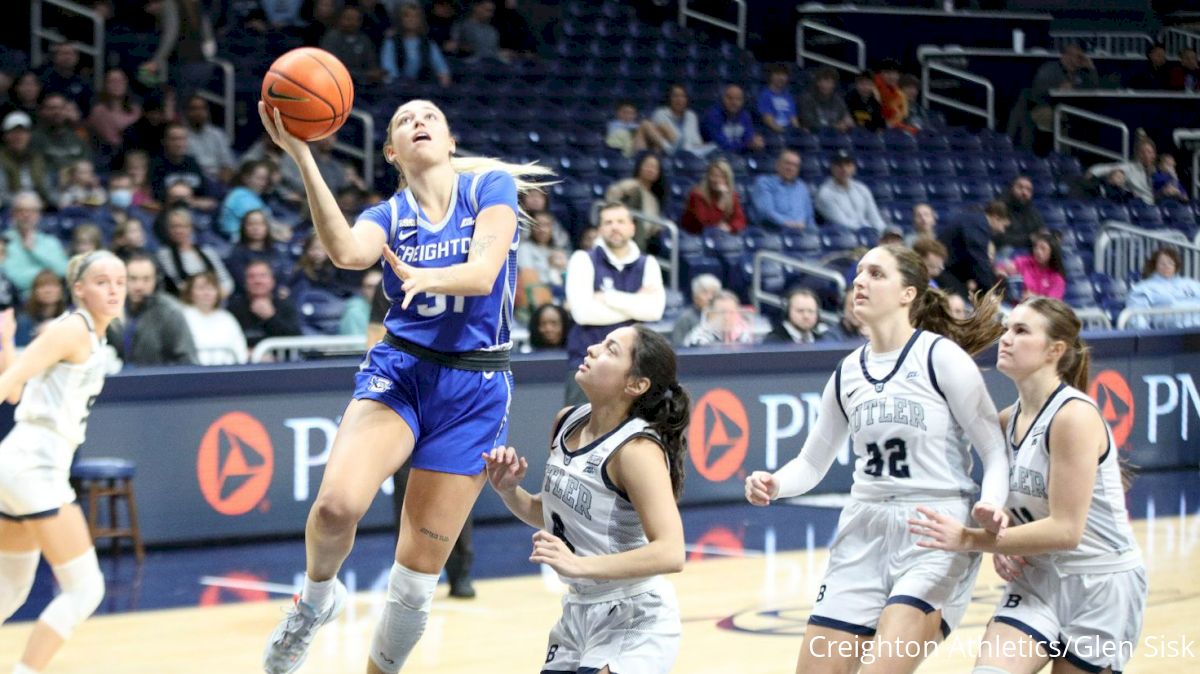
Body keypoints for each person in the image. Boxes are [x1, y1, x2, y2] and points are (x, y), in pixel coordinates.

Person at [257, 96, 554, 674]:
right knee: (336, 508)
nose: (419, 122)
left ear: (449, 142)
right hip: (402, 371)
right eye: (404, 120)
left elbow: (483, 274)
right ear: (392, 151)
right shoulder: (387, 215)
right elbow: (346, 252)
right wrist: (302, 155)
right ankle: (315, 601)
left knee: (415, 582)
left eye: (431, 117)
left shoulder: (488, 187)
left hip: (474, 386)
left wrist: (429, 275)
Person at [745, 244, 1010, 674]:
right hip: (862, 527)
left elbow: (994, 450)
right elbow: (812, 463)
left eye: (875, 273)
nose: (859, 282)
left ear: (908, 293)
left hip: (932, 527)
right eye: (857, 274)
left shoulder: (941, 358)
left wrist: (992, 505)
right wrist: (776, 483)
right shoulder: (847, 371)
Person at [910, 297, 1145, 674]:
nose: (1006, 338)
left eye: (1020, 331)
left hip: (1100, 583)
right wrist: (1007, 534)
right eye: (1006, 329)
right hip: (1038, 578)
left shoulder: (1074, 417)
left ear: (1055, 350)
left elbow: (1067, 530)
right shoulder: (1006, 421)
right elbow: (1015, 506)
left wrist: (972, 539)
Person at [483, 325, 688, 674]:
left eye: (610, 350)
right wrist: (508, 490)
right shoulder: (567, 420)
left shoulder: (636, 450)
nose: (592, 349)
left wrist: (579, 565)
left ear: (636, 384)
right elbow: (549, 514)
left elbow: (671, 552)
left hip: (635, 613)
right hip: (579, 610)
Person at [0, 251, 126, 674]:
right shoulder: (73, 328)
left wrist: (4, 344)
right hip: (34, 464)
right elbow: (7, 385)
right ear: (79, 289)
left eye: (120, 282)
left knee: (11, 586)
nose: (113, 290)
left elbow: (18, 388)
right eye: (102, 281)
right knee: (86, 589)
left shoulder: (94, 336)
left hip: (19, 464)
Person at [565, 202, 665, 406]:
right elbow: (583, 313)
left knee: (634, 432)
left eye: (621, 221)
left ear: (632, 227)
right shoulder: (582, 259)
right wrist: (636, 304)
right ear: (600, 229)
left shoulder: (648, 263)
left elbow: (654, 311)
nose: (615, 227)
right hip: (587, 364)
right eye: (608, 222)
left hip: (634, 367)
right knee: (580, 432)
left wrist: (607, 297)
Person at [109, 251, 198, 366]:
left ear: (156, 281)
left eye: (146, 279)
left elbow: (187, 361)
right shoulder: (109, 309)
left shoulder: (170, 311)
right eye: (133, 279)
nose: (139, 286)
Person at [155, 206, 235, 297]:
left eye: (183, 226)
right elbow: (178, 283)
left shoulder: (207, 252)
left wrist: (216, 295)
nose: (179, 231)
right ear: (168, 230)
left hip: (215, 299)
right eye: (174, 227)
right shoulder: (164, 254)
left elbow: (226, 280)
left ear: (190, 228)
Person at [939, 200, 1011, 299]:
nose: (1002, 231)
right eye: (1004, 226)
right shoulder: (978, 225)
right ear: (996, 218)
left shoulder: (974, 220)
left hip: (950, 270)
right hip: (945, 271)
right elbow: (979, 260)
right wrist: (990, 292)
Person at [228, 259, 302, 349]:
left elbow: (296, 338)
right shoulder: (234, 308)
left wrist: (271, 318)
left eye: (263, 276)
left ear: (272, 281)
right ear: (245, 283)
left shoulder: (285, 306)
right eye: (251, 277)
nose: (257, 281)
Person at [180, 271, 249, 365]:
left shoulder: (227, 318)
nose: (206, 293)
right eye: (201, 288)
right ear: (190, 292)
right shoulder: (181, 316)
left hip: (226, 373)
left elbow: (240, 350)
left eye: (211, 288)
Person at [380, 1, 453, 88]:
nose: (411, 19)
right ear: (401, 19)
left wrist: (444, 79)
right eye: (407, 16)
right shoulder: (391, 42)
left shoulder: (428, 43)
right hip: (398, 89)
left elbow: (442, 69)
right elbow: (389, 71)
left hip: (423, 88)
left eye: (415, 16)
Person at [1126, 246, 1200, 329]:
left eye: (1170, 263)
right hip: (1172, 334)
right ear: (1155, 265)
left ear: (1176, 265)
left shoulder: (1191, 283)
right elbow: (1137, 315)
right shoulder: (1143, 288)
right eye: (1162, 263)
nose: (1167, 266)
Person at [815, 151, 887, 232]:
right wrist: (869, 230)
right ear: (832, 168)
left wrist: (884, 233)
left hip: (869, 233)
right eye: (839, 165)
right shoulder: (825, 194)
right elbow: (843, 223)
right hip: (845, 238)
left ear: (853, 168)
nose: (844, 169)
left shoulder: (862, 188)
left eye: (848, 165)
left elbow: (875, 218)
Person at [750, 149, 814, 230]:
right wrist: (787, 223)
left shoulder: (802, 187)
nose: (791, 168)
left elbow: (809, 218)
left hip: (802, 235)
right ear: (777, 165)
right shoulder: (765, 183)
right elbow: (765, 212)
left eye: (795, 165)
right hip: (774, 234)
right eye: (787, 163)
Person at [680, 158, 747, 234]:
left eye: (722, 177)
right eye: (714, 176)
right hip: (695, 236)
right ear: (708, 177)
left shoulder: (732, 195)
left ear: (727, 180)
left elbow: (740, 220)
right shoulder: (697, 195)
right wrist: (721, 203)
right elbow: (706, 224)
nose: (717, 180)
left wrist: (730, 227)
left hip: (721, 237)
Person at [650, 84, 714, 156]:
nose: (679, 99)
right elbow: (665, 137)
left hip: (691, 154)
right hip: (669, 155)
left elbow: (696, 140)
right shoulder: (660, 113)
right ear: (669, 98)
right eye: (675, 96)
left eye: (683, 96)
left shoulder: (691, 116)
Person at [1000, 231, 1066, 301]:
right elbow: (1001, 267)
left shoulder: (1057, 279)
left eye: (1043, 248)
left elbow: (1052, 304)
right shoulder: (1024, 262)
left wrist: (1035, 298)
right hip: (1013, 307)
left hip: (1037, 310)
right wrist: (1001, 271)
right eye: (1036, 247)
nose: (1038, 251)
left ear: (1052, 252)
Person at [700, 84, 764, 154]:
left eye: (738, 99)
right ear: (723, 99)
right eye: (730, 98)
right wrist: (747, 145)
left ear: (743, 101)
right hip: (716, 156)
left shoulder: (745, 116)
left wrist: (756, 142)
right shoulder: (713, 116)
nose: (734, 102)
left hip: (740, 154)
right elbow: (720, 145)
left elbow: (749, 137)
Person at [682, 290, 754, 347]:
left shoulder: (743, 332)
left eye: (731, 312)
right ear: (711, 314)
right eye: (721, 313)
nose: (727, 317)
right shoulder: (699, 339)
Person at [765, 286, 831, 344]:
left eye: (811, 311)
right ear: (788, 311)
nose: (806, 316)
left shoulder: (822, 341)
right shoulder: (774, 342)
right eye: (800, 311)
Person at [669, 273, 721, 346]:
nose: (710, 297)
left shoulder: (723, 316)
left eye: (714, 293)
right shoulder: (685, 319)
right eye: (705, 293)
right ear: (695, 296)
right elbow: (678, 347)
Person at [996, 175, 1045, 250]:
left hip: (1030, 254)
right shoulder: (999, 208)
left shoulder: (1034, 213)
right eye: (1020, 187)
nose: (1024, 192)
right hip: (1005, 253)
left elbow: (1040, 232)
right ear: (1011, 189)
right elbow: (998, 239)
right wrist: (1029, 239)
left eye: (1029, 190)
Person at [798, 67, 854, 132]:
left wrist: (848, 123)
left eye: (831, 82)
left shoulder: (838, 100)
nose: (828, 85)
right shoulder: (806, 98)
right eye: (825, 81)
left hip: (835, 136)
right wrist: (834, 127)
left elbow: (847, 118)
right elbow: (808, 122)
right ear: (818, 82)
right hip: (814, 136)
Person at [757, 64, 800, 136]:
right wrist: (784, 132)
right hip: (772, 132)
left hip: (789, 132)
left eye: (784, 75)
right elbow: (768, 120)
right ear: (771, 76)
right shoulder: (764, 95)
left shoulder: (788, 97)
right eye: (778, 74)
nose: (781, 78)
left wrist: (798, 131)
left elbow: (793, 119)